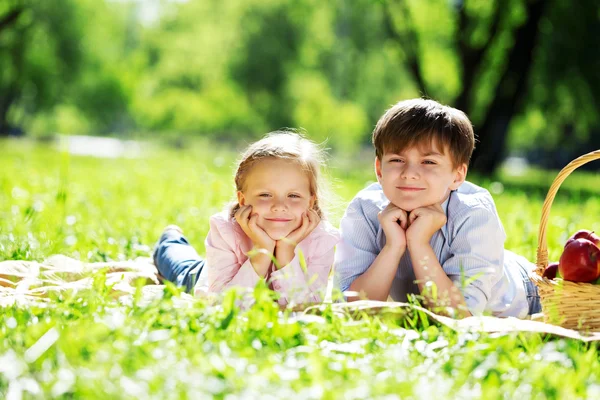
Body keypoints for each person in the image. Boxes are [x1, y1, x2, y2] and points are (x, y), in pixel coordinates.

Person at [334, 98, 540, 318]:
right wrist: (393, 246)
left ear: (458, 175)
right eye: (396, 160)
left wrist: (419, 243)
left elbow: (459, 317)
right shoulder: (365, 210)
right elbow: (350, 309)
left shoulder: (474, 213)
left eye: (429, 162)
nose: (409, 173)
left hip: (525, 292)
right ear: (379, 169)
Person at [153, 131, 340, 305]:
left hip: (229, 269)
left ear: (310, 202)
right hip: (210, 276)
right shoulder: (225, 230)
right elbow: (223, 304)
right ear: (242, 199)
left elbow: (307, 307)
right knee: (182, 267)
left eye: (293, 196)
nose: (279, 206)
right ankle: (170, 240)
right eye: (266, 195)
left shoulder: (322, 240)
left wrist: (286, 253)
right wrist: (262, 252)